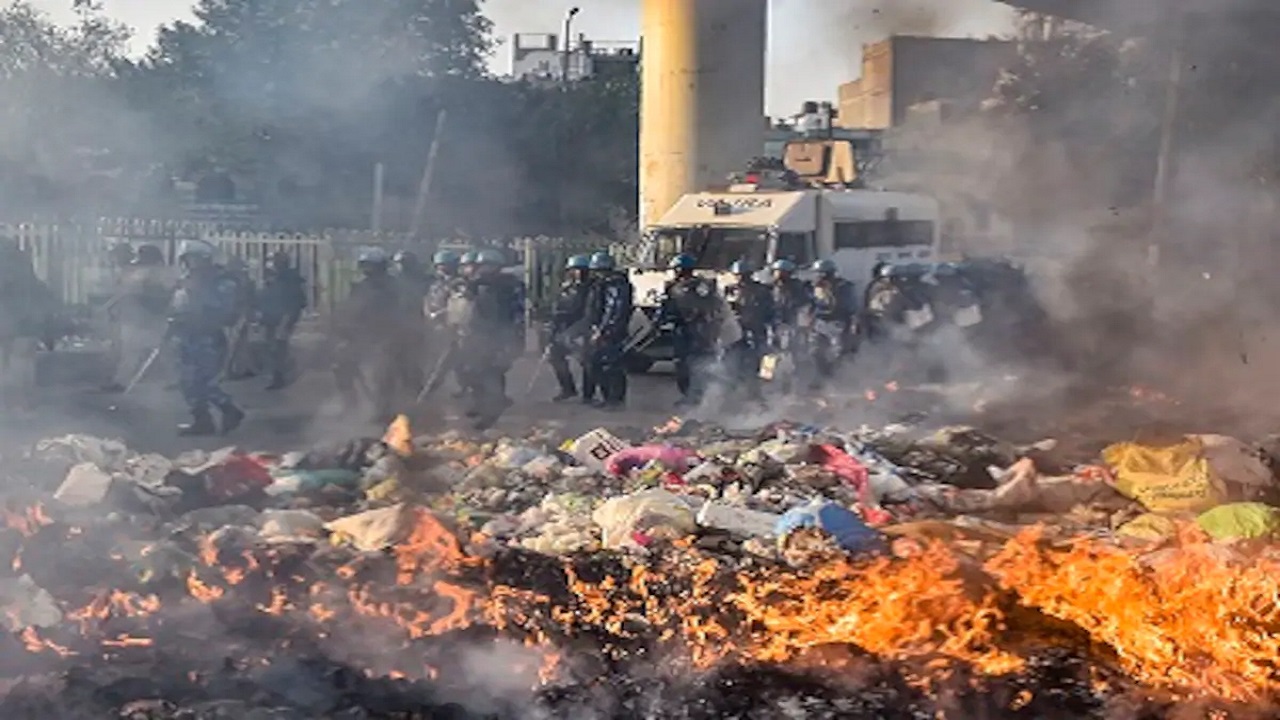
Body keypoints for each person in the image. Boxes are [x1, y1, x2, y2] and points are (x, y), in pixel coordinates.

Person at [168, 240, 244, 436]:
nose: (190, 263)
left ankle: (230, 410)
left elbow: (221, 311)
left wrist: (196, 293)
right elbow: (179, 306)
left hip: (207, 337)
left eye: (193, 258)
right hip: (187, 335)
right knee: (187, 382)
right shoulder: (188, 279)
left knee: (204, 382)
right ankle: (202, 421)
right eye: (187, 259)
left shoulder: (221, 282)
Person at [332, 246, 412, 422]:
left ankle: (383, 409)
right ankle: (351, 405)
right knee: (342, 368)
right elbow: (350, 310)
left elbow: (400, 314)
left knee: (382, 374)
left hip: (384, 337)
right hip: (359, 336)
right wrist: (343, 329)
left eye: (372, 265)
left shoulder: (393, 288)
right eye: (365, 265)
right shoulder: (359, 287)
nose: (367, 269)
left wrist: (393, 337)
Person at [451, 248, 523, 429]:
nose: (483, 269)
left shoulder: (506, 286)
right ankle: (480, 404)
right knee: (473, 372)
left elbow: (512, 315)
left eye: (488, 265)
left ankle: (491, 413)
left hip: (498, 335)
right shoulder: (477, 285)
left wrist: (511, 339)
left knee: (492, 374)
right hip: (475, 336)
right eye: (482, 265)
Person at [104, 243, 174, 393]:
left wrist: (111, 307)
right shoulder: (165, 272)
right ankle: (175, 381)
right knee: (163, 351)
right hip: (153, 317)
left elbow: (125, 293)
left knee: (132, 353)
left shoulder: (137, 273)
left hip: (138, 317)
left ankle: (120, 383)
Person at [658, 253, 722, 407]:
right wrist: (661, 322)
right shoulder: (672, 286)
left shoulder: (701, 286)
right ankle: (687, 395)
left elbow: (711, 307)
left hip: (698, 330)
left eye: (680, 269)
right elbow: (666, 307)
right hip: (680, 330)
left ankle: (699, 397)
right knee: (681, 365)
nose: (677, 272)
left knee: (699, 365)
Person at [582, 251, 632, 409]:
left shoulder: (617, 285)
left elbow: (614, 309)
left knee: (612, 366)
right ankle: (608, 398)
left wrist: (602, 330)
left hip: (612, 332)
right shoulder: (601, 284)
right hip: (601, 330)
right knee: (597, 365)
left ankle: (616, 401)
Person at [257, 251, 307, 390]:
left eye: (274, 261)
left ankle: (280, 377)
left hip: (283, 319)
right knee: (271, 348)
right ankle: (277, 375)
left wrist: (285, 323)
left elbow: (294, 304)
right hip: (271, 319)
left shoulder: (290, 280)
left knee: (278, 349)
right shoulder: (274, 279)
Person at [725, 259, 773, 401]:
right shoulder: (730, 289)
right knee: (733, 362)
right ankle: (734, 394)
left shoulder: (762, 290)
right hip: (736, 331)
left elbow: (769, 310)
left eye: (744, 275)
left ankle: (757, 394)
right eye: (738, 275)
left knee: (759, 363)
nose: (740, 278)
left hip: (757, 329)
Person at [546, 254, 592, 403]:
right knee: (555, 355)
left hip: (584, 328)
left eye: (582, 270)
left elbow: (591, 311)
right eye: (575, 270)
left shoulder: (592, 289)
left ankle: (588, 395)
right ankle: (567, 388)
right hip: (566, 328)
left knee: (586, 361)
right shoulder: (566, 288)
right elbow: (559, 307)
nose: (578, 273)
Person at [808, 259, 858, 386]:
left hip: (837, 322)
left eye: (820, 273)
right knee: (815, 351)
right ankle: (823, 377)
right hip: (819, 323)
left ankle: (837, 378)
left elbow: (849, 306)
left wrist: (851, 323)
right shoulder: (812, 287)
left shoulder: (842, 287)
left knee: (839, 352)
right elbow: (810, 305)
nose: (817, 276)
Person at [221, 256, 258, 380]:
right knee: (238, 343)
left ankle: (231, 370)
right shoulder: (241, 281)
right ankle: (243, 368)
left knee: (235, 343)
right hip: (238, 315)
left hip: (236, 315)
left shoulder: (233, 281)